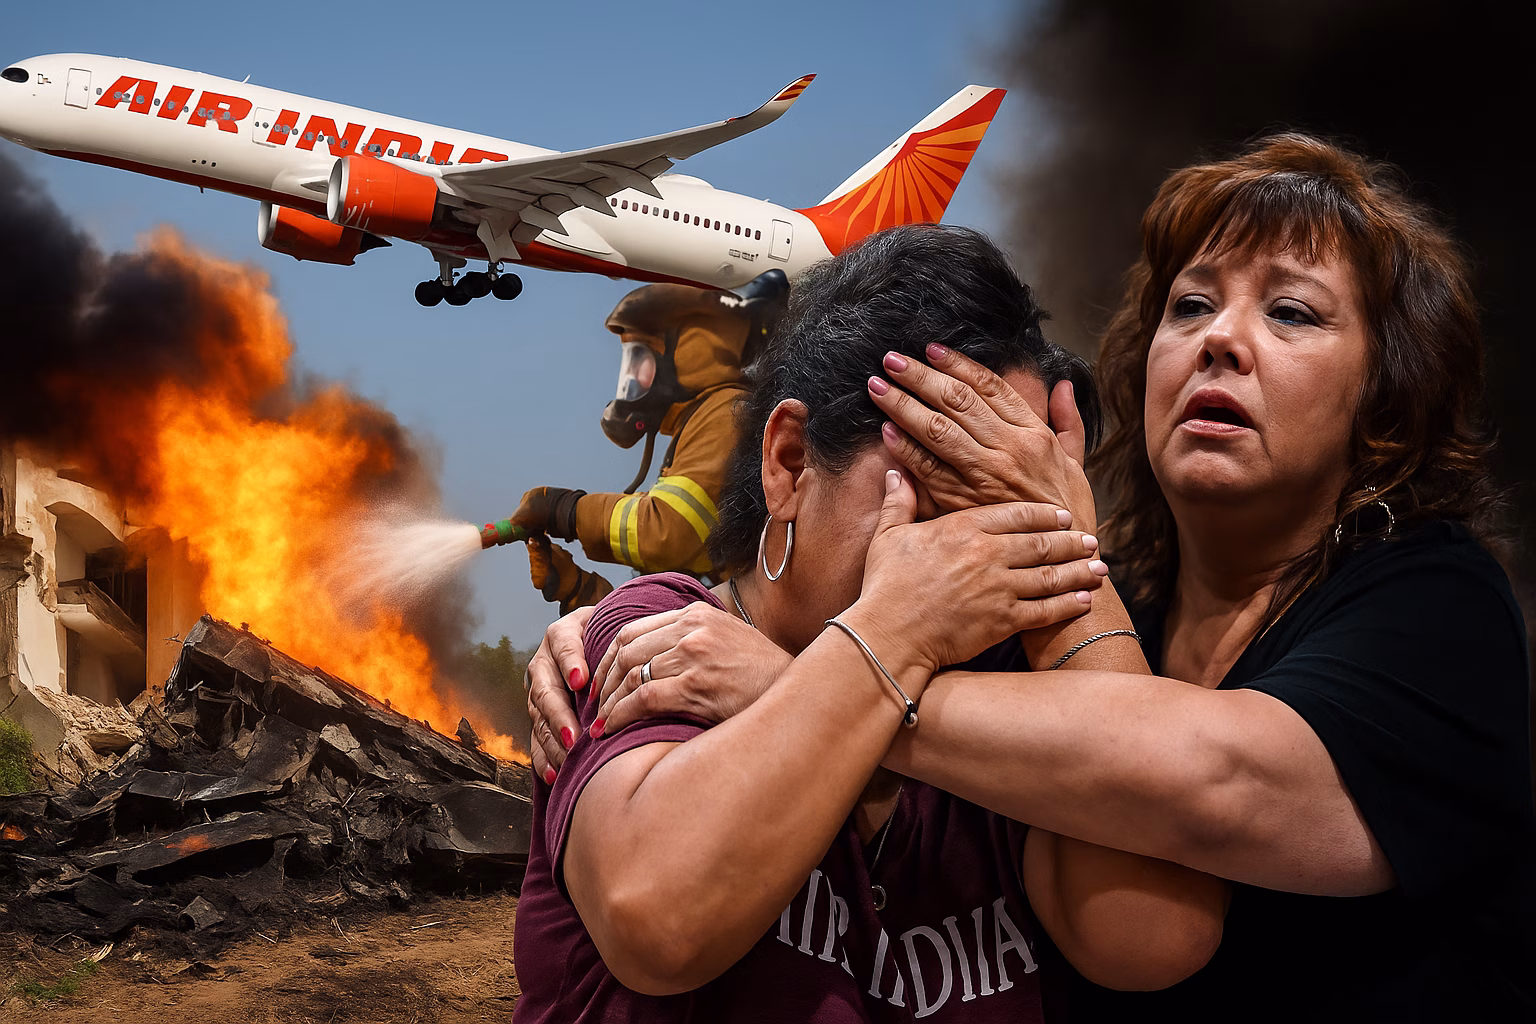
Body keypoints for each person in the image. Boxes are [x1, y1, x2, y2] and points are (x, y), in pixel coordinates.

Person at [527, 135, 1536, 1020]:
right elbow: (656, 912)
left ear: (1383, 398)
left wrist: (840, 674)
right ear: (790, 462)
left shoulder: (1428, 602)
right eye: (1191, 305)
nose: (1223, 339)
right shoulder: (677, 647)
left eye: (1293, 314)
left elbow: (1157, 908)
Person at [510, 225, 1229, 1023]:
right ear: (788, 463)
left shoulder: (1015, 715)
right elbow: (658, 921)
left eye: (1011, 498)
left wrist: (1064, 557)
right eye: (938, 481)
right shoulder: (663, 637)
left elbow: (1154, 936)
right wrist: (898, 624)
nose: (971, 548)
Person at [506, 273, 788, 615]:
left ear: (688, 354)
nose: (632, 378)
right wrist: (577, 589)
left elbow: (671, 533)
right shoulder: (700, 422)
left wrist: (568, 511)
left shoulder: (727, 415)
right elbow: (674, 600)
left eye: (641, 359)